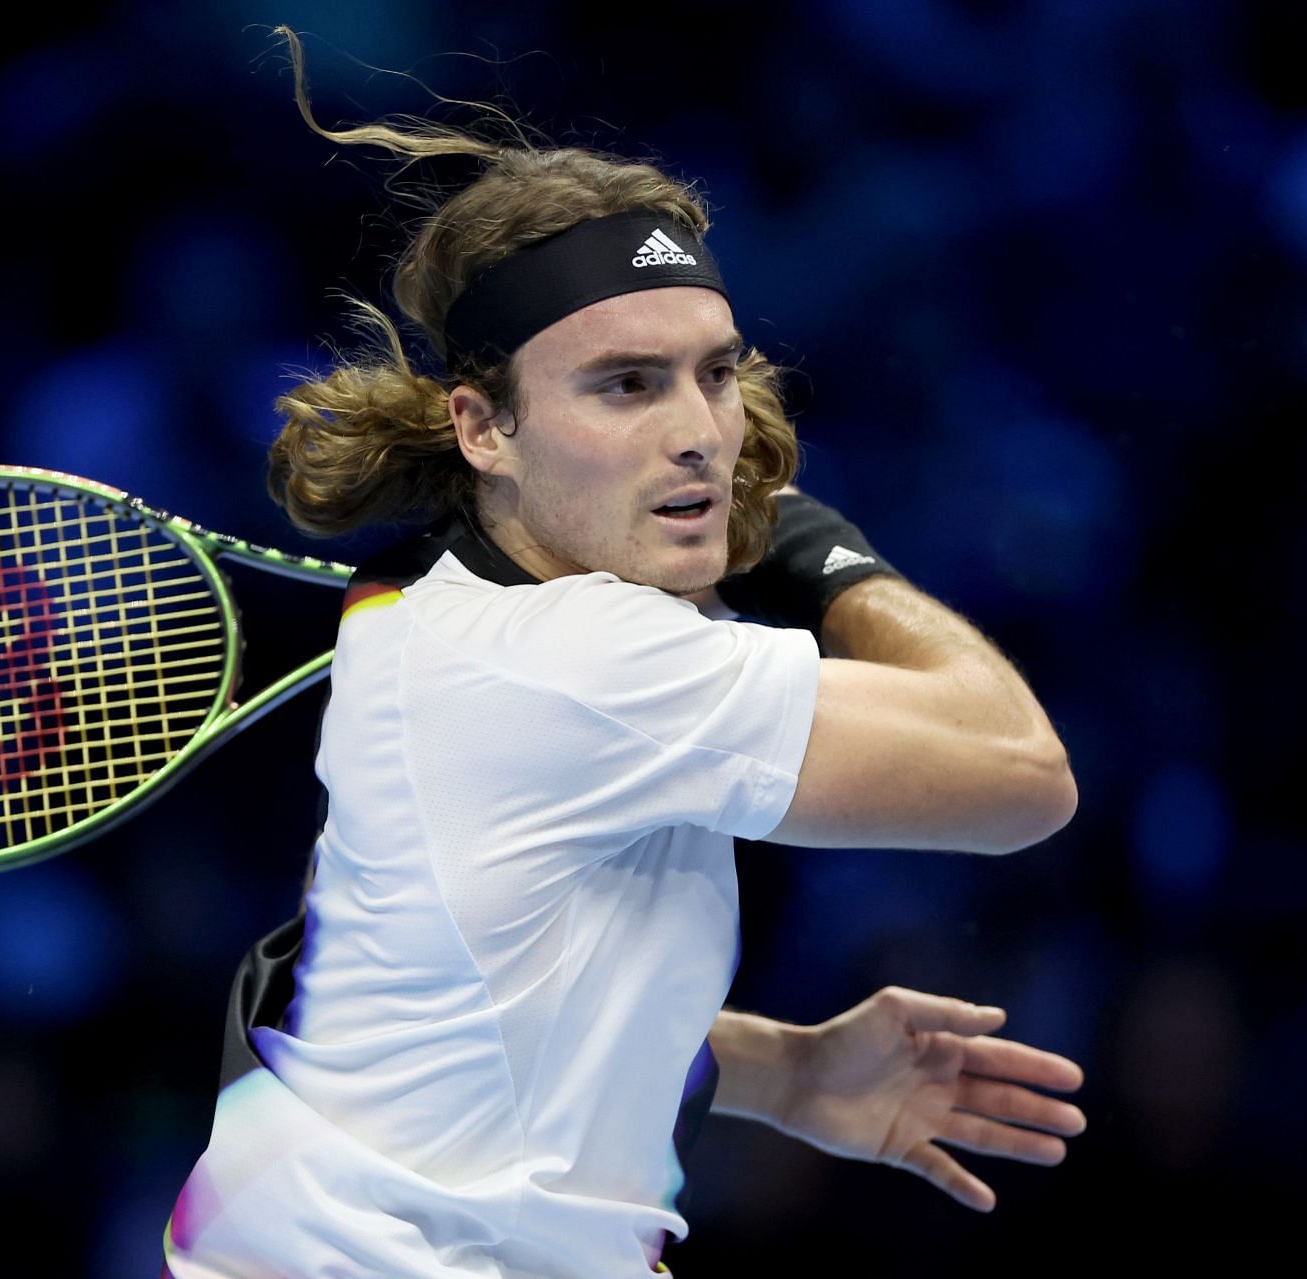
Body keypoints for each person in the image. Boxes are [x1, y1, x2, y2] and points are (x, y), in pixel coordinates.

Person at [162, 29, 1085, 1278]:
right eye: (626, 385)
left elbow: (492, 1011)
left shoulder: (434, 611)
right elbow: (1021, 774)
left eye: (714, 376)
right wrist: (812, 547)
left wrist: (787, 1070)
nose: (702, 433)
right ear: (484, 427)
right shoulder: (578, 658)